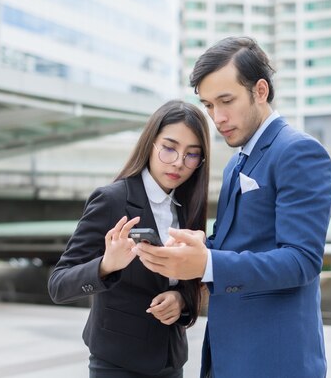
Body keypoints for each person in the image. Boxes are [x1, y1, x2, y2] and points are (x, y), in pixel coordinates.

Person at [134, 37, 331, 378]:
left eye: (226, 101)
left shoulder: (299, 152)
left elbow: (302, 260)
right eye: (209, 105)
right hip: (228, 355)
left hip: (275, 360)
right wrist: (197, 250)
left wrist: (208, 262)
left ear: (260, 90)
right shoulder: (236, 164)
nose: (217, 117)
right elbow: (236, 244)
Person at [47, 99, 211, 378]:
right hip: (117, 363)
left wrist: (181, 300)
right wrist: (106, 265)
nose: (178, 163)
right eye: (169, 148)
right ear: (150, 144)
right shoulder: (112, 200)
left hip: (171, 363)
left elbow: (193, 280)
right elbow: (58, 284)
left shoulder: (189, 208)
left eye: (191, 155)